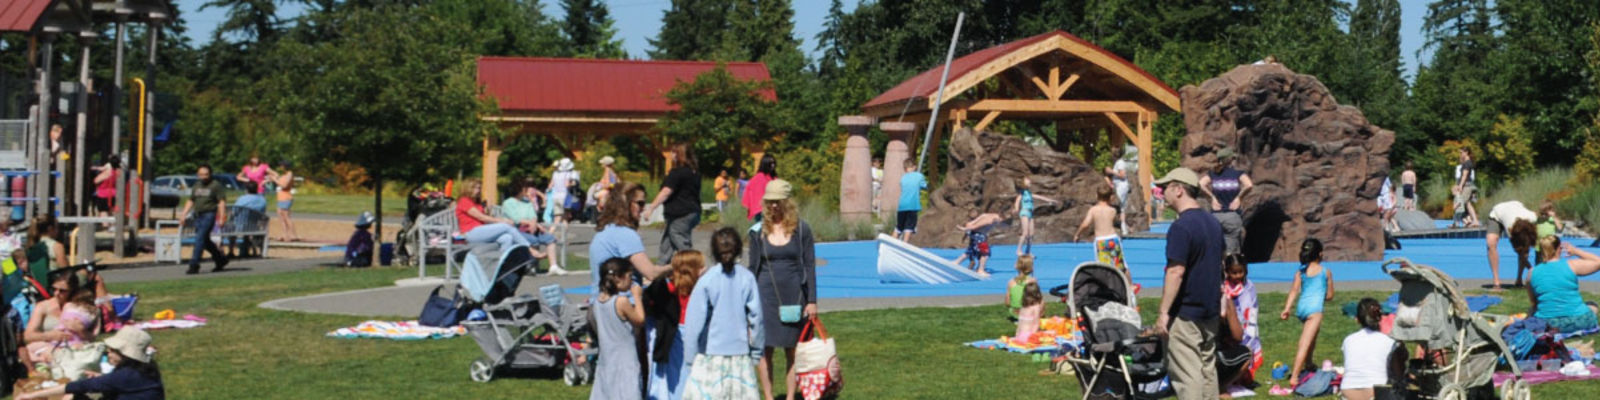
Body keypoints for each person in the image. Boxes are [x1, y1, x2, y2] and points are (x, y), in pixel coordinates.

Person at [1151, 167, 1224, 400]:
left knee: (1187, 375)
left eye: (1165, 188)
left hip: (1186, 313)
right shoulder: (1213, 223)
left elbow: (1175, 271)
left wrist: (1163, 312)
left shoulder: (1181, 227)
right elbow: (1220, 264)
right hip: (1210, 311)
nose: (1162, 193)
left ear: (1179, 190)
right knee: (1207, 370)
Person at [747, 179, 817, 400]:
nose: (773, 206)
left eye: (778, 202)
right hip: (764, 295)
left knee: (792, 349)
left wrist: (812, 300)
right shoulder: (757, 231)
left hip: (795, 293)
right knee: (765, 349)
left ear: (788, 202)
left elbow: (809, 265)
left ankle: (789, 396)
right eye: (770, 202)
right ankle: (768, 397)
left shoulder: (802, 229)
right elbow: (752, 268)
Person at [681, 227, 764, 399]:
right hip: (740, 356)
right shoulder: (747, 278)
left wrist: (690, 357)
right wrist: (756, 351)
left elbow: (693, 323)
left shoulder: (706, 281)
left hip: (710, 356)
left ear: (714, 252)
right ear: (739, 250)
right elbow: (757, 319)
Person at [18, 328, 165, 400]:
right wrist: (101, 377)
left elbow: (76, 386)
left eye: (113, 350)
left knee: (71, 396)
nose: (108, 351)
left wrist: (30, 396)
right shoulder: (144, 370)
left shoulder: (125, 375)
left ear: (125, 355)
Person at [589, 181, 669, 302]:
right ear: (625, 204)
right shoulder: (625, 234)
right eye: (640, 203)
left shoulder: (606, 230)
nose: (643, 209)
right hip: (622, 307)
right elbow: (651, 273)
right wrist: (678, 265)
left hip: (600, 303)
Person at [648, 249, 705, 400]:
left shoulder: (672, 288)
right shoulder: (699, 289)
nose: (704, 270)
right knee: (686, 375)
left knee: (677, 377)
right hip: (686, 335)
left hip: (678, 335)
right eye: (701, 267)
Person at [1280, 238, 1333, 388]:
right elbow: (1330, 296)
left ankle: (1309, 362)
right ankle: (1295, 376)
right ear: (1320, 254)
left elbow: (1294, 291)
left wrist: (1287, 308)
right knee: (1305, 342)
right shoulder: (1325, 272)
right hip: (1314, 310)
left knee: (1312, 336)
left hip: (1302, 308)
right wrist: (1321, 293)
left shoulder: (1301, 271)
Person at [592, 257, 644, 400]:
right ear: (618, 278)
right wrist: (637, 297)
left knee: (608, 392)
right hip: (625, 358)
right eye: (629, 277)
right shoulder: (621, 301)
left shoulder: (598, 301)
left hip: (607, 358)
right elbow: (640, 320)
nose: (631, 281)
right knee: (627, 392)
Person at [1528, 235, 1600, 334]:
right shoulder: (1571, 265)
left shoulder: (1532, 272)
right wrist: (1576, 251)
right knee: (1593, 306)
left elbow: (1534, 302)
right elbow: (1598, 262)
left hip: (1548, 324)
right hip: (1579, 320)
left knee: (1531, 310)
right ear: (1559, 249)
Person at [644, 144, 702, 263]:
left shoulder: (677, 173)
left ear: (680, 155)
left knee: (679, 239)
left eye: (674, 152)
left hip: (681, 213)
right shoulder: (695, 173)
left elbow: (666, 192)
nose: (672, 155)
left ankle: (693, 267)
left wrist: (651, 208)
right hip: (692, 211)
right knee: (668, 243)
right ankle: (660, 270)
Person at [1341, 298, 1400, 400]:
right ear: (1380, 317)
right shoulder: (1388, 342)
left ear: (1357, 319)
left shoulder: (1348, 340)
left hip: (1348, 393)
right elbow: (1397, 373)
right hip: (1375, 393)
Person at [501, 178, 564, 274]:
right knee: (532, 240)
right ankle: (531, 265)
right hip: (517, 229)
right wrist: (530, 223)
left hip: (532, 227)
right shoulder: (508, 203)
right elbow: (516, 218)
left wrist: (534, 224)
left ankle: (553, 266)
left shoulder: (527, 202)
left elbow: (533, 215)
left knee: (549, 238)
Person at [454, 180, 534, 253]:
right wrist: (503, 221)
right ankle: (529, 248)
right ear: (468, 189)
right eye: (475, 188)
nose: (478, 191)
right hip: (470, 233)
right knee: (506, 226)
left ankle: (501, 264)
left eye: (479, 188)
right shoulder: (464, 201)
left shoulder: (477, 203)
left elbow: (485, 218)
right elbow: (481, 217)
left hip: (480, 232)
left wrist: (489, 213)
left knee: (507, 238)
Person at [1199, 148, 1253, 256]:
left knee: (1215, 248)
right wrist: (1238, 198)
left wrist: (1212, 197)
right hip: (1232, 215)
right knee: (1232, 251)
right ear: (1231, 160)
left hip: (1215, 216)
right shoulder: (1237, 174)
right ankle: (1228, 269)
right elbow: (1249, 185)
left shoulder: (1212, 174)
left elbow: (1200, 184)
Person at [1220, 254, 1261, 392]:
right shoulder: (1224, 288)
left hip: (1246, 327)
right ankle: (1224, 384)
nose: (1237, 276)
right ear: (1227, 271)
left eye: (1240, 272)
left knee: (1248, 359)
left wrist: (1250, 329)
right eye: (1233, 272)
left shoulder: (1249, 287)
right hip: (1229, 331)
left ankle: (1239, 378)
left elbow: (1252, 307)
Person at [179, 165, 229, 275]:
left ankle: (194, 264)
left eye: (206, 174)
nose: (203, 177)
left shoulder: (215, 185)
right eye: (201, 174)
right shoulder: (197, 185)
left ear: (210, 174)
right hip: (198, 215)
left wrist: (222, 217)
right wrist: (183, 214)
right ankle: (220, 259)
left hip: (209, 214)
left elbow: (221, 202)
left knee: (199, 238)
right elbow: (191, 200)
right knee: (205, 241)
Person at [1486, 201, 1539, 289]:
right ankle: (1496, 281)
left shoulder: (1532, 217)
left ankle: (1519, 280)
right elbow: (1519, 252)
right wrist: (1531, 269)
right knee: (1491, 242)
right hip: (1497, 213)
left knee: (1525, 249)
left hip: (1517, 205)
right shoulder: (1511, 228)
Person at [1074, 185, 1127, 272]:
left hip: (1101, 241)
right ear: (1110, 197)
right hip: (1113, 239)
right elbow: (1117, 221)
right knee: (1120, 265)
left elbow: (1085, 224)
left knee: (1103, 267)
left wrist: (1077, 234)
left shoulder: (1093, 210)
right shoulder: (1112, 210)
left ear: (1097, 196)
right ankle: (1127, 284)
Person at [1010, 176, 1059, 256]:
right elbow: (1017, 201)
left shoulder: (1029, 193)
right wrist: (1015, 209)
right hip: (1024, 212)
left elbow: (1039, 197)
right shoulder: (1021, 194)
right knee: (1025, 232)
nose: (1029, 182)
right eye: (1027, 181)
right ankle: (1018, 250)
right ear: (1023, 183)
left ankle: (1028, 251)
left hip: (1030, 213)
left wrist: (1050, 200)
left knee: (1031, 234)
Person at [953, 210, 1002, 276]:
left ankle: (957, 262)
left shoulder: (993, 215)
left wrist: (973, 222)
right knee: (985, 253)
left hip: (976, 234)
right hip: (978, 235)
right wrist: (964, 229)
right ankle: (980, 270)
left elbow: (983, 215)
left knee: (971, 250)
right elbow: (975, 227)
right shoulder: (990, 221)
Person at [26, 214, 69, 285]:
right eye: (57, 227)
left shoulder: (31, 246)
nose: (58, 231)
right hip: (53, 285)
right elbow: (65, 271)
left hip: (37, 286)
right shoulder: (57, 246)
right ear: (50, 229)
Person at [229, 180, 268, 258]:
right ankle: (245, 251)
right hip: (255, 226)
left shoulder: (243, 199)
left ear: (246, 189)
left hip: (240, 226)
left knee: (230, 227)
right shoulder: (262, 200)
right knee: (245, 227)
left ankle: (231, 252)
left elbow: (234, 211)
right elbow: (263, 213)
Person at [895, 159, 928, 242]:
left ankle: (891, 242)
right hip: (912, 205)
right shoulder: (919, 176)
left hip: (902, 206)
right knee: (909, 227)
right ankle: (904, 245)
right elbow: (925, 186)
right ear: (914, 167)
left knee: (899, 227)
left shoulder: (903, 178)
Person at [268, 161, 299, 242]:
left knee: (286, 217)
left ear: (285, 166)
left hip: (286, 197)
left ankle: (293, 235)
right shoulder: (284, 175)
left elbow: (284, 185)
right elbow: (279, 180)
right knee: (281, 218)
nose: (280, 167)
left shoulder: (289, 174)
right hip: (280, 198)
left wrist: (275, 180)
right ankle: (285, 235)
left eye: (281, 166)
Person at [742, 155, 777, 221]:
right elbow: (758, 196)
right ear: (765, 164)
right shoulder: (759, 177)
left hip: (775, 210)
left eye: (774, 163)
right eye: (770, 163)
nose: (773, 165)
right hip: (762, 211)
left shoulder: (774, 177)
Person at [550, 158, 581, 224]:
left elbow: (550, 185)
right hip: (564, 197)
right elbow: (568, 185)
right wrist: (572, 183)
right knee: (565, 218)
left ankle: (551, 232)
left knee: (557, 218)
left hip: (555, 196)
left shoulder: (555, 173)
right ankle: (563, 233)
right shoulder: (568, 174)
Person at [1454, 148, 1480, 227]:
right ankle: (1475, 221)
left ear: (1466, 153)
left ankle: (1457, 223)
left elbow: (1464, 176)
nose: (1460, 154)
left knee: (1460, 203)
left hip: (1466, 186)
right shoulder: (1467, 163)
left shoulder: (1467, 164)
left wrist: (1460, 186)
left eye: (1461, 152)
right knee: (1468, 204)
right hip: (1469, 185)